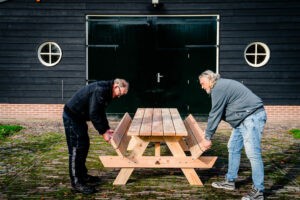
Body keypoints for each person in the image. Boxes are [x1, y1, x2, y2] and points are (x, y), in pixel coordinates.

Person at [198, 70, 267, 200]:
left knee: (253, 153)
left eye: (202, 83)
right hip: (243, 120)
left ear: (210, 80)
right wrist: (208, 132)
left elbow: (215, 113)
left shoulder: (218, 87)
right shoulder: (220, 86)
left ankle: (258, 191)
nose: (202, 87)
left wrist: (207, 137)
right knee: (233, 147)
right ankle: (230, 181)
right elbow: (220, 112)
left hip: (251, 117)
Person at [62, 78, 129, 194]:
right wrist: (103, 132)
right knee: (76, 148)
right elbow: (94, 114)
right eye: (120, 94)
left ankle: (83, 175)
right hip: (72, 116)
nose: (118, 97)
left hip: (79, 118)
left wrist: (107, 129)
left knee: (84, 146)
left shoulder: (107, 92)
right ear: (116, 86)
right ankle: (76, 183)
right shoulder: (101, 90)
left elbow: (100, 111)